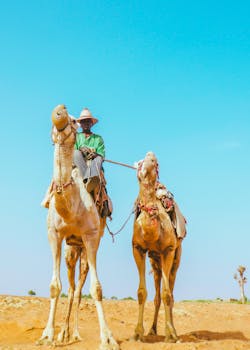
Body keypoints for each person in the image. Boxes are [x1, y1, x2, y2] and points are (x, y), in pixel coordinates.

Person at [74, 108, 105, 192]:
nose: (86, 123)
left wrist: (95, 155)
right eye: (84, 121)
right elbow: (72, 151)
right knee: (76, 153)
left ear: (91, 123)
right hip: (79, 165)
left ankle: (92, 179)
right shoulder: (76, 137)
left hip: (94, 165)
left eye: (88, 121)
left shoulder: (98, 138)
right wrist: (81, 150)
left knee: (99, 158)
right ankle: (87, 179)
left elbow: (101, 155)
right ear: (80, 124)